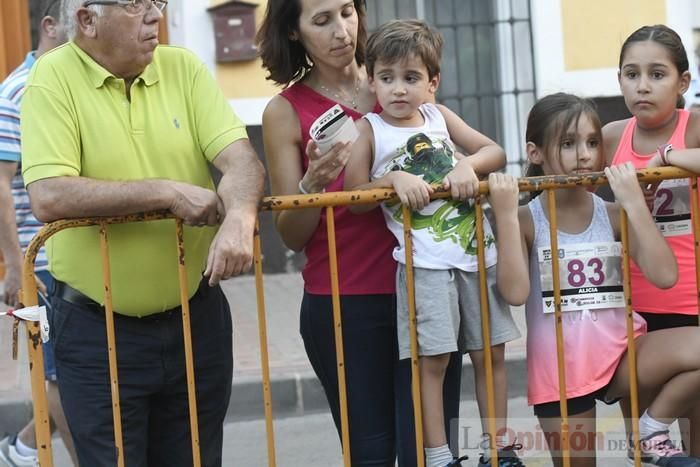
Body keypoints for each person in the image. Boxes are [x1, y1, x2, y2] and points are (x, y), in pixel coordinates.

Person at [19, 0, 265, 465]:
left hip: (196, 317)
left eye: (158, 2)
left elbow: (241, 160)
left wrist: (239, 218)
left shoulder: (183, 68)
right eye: (135, 4)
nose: (155, 16)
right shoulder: (53, 77)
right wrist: (166, 192)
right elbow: (50, 194)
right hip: (98, 333)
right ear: (87, 20)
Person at [256, 2, 462, 465]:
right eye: (322, 20)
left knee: (432, 449)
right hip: (344, 300)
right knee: (370, 453)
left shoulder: (399, 80)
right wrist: (311, 187)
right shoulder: (285, 112)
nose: (341, 30)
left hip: (425, 284)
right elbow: (289, 234)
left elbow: (453, 159)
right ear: (294, 31)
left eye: (347, 12)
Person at [343, 19, 522, 467]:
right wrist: (390, 179)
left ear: (432, 82)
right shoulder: (369, 130)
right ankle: (440, 455)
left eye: (411, 78)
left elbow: (494, 152)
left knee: (490, 353)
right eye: (386, 78)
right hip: (424, 265)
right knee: (433, 362)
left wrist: (469, 166)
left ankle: (496, 448)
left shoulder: (439, 117)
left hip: (477, 256)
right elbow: (354, 197)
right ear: (371, 79)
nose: (398, 89)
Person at [490, 92, 700, 467]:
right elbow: (516, 293)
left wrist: (634, 203)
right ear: (535, 153)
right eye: (568, 144)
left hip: (621, 355)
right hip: (560, 374)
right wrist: (506, 216)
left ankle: (650, 431)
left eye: (591, 143)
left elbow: (665, 275)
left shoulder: (612, 212)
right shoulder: (525, 219)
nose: (584, 155)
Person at [603, 24, 700, 455]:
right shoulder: (611, 136)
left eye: (657, 74)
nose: (642, 85)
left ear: (683, 82)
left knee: (694, 440)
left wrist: (669, 159)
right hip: (632, 309)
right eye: (631, 73)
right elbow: (565, 197)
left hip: (692, 301)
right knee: (650, 451)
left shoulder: (693, 127)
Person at [0, 1, 77, 466]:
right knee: (60, 379)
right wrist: (15, 268)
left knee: (66, 375)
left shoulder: (71, 85)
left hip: (73, 261)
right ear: (49, 27)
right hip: (41, 267)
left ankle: (22, 451)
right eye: (79, 20)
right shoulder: (17, 92)